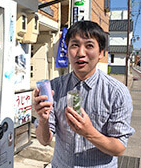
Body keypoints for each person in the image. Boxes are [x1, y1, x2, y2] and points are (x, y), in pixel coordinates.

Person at [33, 20, 135, 168]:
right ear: (67, 52)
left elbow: (119, 148)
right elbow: (44, 141)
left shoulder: (117, 92)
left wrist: (89, 133)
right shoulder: (54, 87)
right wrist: (42, 119)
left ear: (101, 53)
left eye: (89, 46)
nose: (80, 53)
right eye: (74, 45)